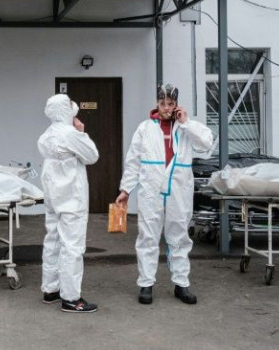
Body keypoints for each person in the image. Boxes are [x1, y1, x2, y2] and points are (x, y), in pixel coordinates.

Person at [115, 83, 213, 305]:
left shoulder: (185, 128)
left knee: (179, 236)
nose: (166, 107)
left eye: (170, 103)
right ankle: (146, 284)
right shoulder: (145, 128)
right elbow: (133, 161)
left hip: (179, 191)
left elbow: (207, 144)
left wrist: (186, 122)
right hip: (151, 190)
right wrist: (125, 189)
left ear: (176, 104)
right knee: (148, 236)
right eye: (162, 103)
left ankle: (181, 284)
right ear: (156, 103)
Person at [38, 93, 100, 313]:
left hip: (53, 197)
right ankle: (71, 298)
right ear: (67, 111)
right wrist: (82, 133)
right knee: (72, 246)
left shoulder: (46, 135)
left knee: (52, 241)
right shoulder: (71, 134)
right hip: (71, 198)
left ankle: (51, 289)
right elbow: (92, 156)